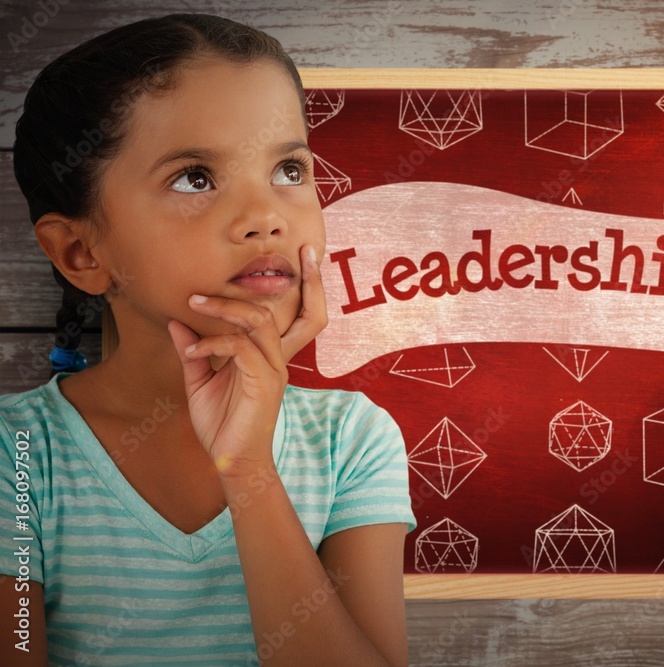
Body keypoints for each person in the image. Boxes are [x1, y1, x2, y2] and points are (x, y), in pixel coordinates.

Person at [0, 13, 415, 666]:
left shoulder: (353, 441)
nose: (265, 218)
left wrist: (247, 467)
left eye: (288, 169)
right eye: (195, 177)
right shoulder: (17, 455)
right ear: (81, 252)